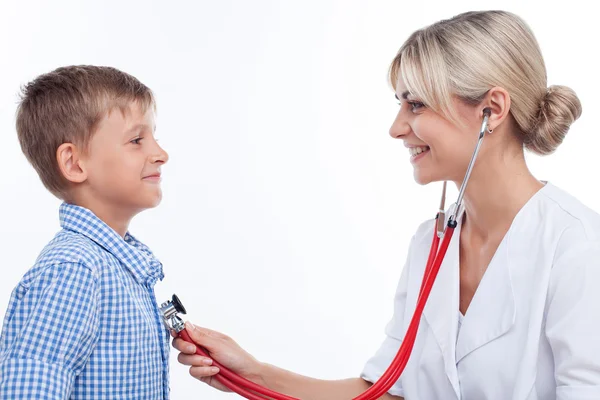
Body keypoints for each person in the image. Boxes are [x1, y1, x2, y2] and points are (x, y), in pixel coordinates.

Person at [172, 10, 600, 399]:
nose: (397, 128)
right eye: (400, 105)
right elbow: (385, 393)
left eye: (415, 104)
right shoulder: (430, 245)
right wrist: (253, 374)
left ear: (491, 109)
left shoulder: (575, 245)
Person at [0, 66, 171, 399]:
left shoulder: (115, 266)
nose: (161, 154)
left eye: (154, 137)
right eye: (137, 140)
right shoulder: (76, 269)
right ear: (75, 164)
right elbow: (31, 388)